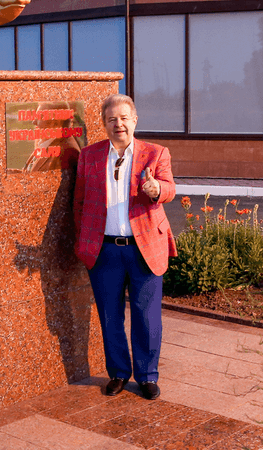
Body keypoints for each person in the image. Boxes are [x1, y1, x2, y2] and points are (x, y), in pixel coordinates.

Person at [73, 94, 176, 400]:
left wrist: (156, 189)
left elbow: (169, 188)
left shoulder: (155, 153)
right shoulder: (89, 156)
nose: (118, 124)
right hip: (104, 250)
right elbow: (79, 201)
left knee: (147, 317)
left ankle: (147, 376)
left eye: (124, 118)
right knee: (110, 316)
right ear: (104, 124)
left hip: (144, 248)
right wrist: (83, 239)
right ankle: (118, 372)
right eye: (111, 119)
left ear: (134, 120)